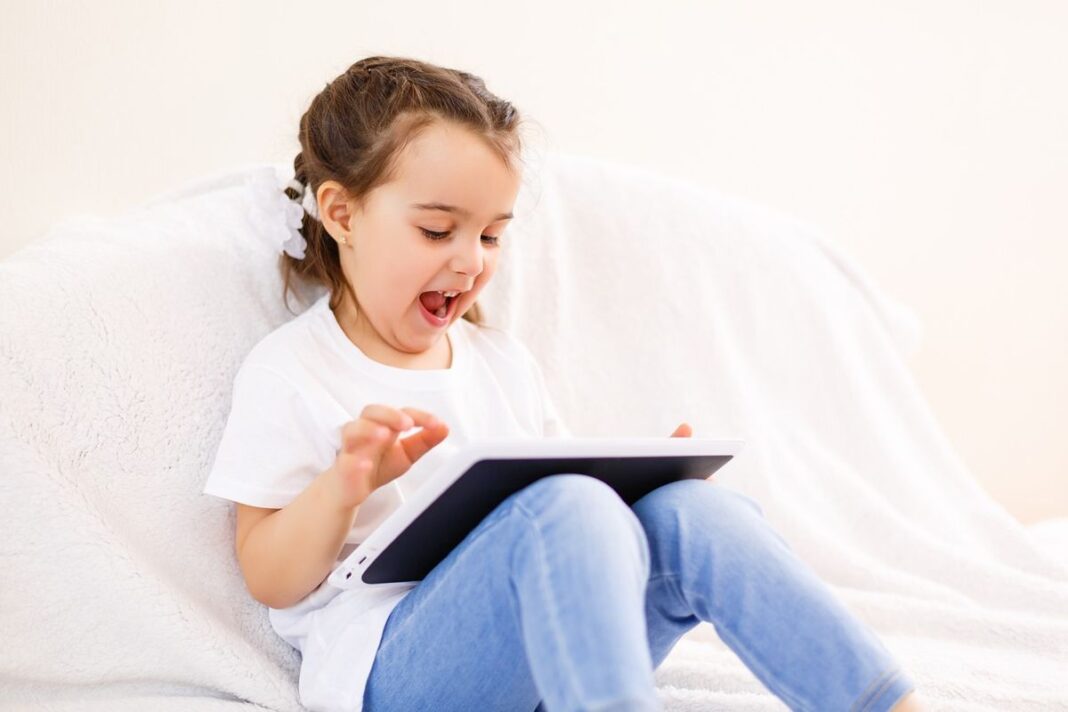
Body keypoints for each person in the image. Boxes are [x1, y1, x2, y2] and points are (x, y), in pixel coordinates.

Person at [202, 55, 927, 712]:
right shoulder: (293, 370)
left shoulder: (499, 364)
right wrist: (346, 483)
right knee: (566, 503)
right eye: (436, 231)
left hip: (552, 658)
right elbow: (267, 576)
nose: (469, 261)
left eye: (489, 236)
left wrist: (645, 486)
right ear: (341, 213)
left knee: (692, 515)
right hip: (396, 671)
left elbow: (574, 529)